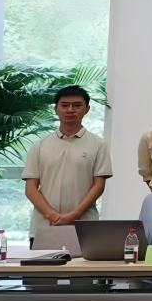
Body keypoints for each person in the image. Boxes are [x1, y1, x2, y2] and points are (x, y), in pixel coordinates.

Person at [23, 86, 111, 249]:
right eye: (64, 105)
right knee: (41, 267)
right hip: (45, 227)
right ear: (56, 109)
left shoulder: (98, 144)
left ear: (87, 109)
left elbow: (99, 185)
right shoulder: (40, 145)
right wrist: (52, 215)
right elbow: (31, 188)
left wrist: (75, 215)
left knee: (83, 267)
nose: (70, 110)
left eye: (77, 105)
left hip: (85, 226)